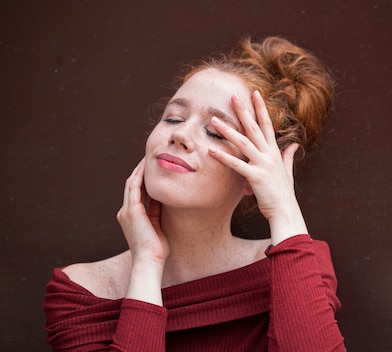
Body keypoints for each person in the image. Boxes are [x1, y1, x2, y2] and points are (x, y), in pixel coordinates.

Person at [44, 36, 345, 351]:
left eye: (215, 132)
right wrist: (146, 265)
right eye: (173, 117)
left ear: (254, 173)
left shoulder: (298, 265)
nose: (180, 134)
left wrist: (283, 209)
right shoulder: (78, 292)